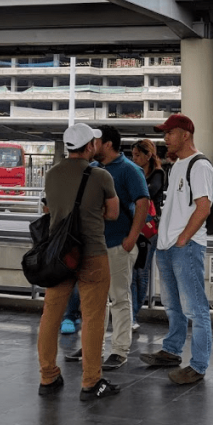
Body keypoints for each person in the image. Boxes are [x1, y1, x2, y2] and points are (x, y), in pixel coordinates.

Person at [37, 123, 120, 400]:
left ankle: (48, 377)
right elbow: (113, 213)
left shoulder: (52, 175)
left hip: (59, 254)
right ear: (90, 147)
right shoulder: (100, 176)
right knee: (93, 317)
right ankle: (91, 381)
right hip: (93, 253)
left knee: (51, 314)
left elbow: (49, 209)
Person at [139, 113, 213, 385]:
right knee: (172, 306)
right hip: (167, 246)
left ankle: (198, 364)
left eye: (170, 133)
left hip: (185, 247)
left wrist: (183, 238)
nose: (165, 138)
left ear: (185, 135)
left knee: (196, 309)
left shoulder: (199, 165)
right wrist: (166, 239)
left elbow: (203, 207)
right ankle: (172, 351)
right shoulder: (176, 167)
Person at [92, 125, 149, 371]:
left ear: (107, 144)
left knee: (119, 298)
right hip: (96, 245)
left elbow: (143, 202)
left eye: (95, 142)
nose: (91, 146)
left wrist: (131, 238)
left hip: (118, 244)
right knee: (97, 300)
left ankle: (119, 350)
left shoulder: (129, 170)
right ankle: (93, 346)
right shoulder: (94, 169)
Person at [130, 138, 166, 329]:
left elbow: (147, 194)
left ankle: (133, 314)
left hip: (149, 228)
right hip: (136, 225)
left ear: (148, 155)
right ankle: (131, 314)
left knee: (142, 273)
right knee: (132, 273)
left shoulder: (157, 174)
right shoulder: (136, 172)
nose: (134, 159)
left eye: (137, 155)